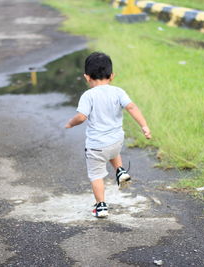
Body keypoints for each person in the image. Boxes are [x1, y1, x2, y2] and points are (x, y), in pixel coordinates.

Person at [65, 52, 151, 218]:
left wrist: (70, 123)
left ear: (86, 77)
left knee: (96, 176)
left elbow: (81, 117)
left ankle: (101, 206)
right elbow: (132, 107)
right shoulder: (118, 91)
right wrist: (144, 126)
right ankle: (120, 171)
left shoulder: (88, 96)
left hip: (97, 146)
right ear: (112, 76)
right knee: (112, 151)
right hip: (116, 140)